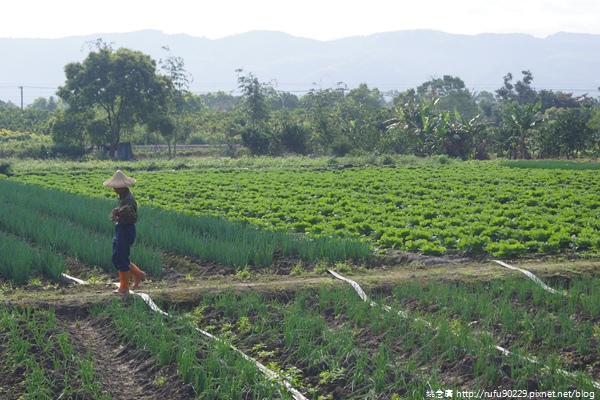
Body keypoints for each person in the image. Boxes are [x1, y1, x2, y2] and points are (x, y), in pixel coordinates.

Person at [103, 170, 146, 294]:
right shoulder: (123, 196)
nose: (114, 189)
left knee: (121, 257)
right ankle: (138, 274)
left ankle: (124, 287)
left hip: (126, 229)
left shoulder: (129, 200)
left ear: (123, 186)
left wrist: (120, 214)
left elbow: (132, 217)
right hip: (120, 228)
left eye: (116, 187)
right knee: (115, 257)